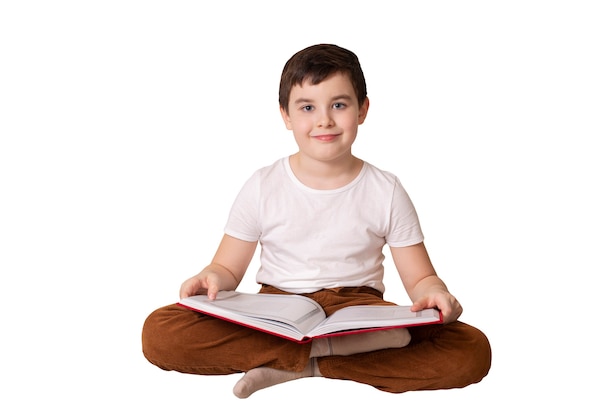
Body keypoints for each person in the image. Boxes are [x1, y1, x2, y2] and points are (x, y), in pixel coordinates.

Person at [142, 43, 491, 398]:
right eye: (308, 107)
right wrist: (211, 277)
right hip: (276, 312)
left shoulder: (386, 189)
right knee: (160, 331)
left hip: (359, 312)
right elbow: (226, 270)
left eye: (338, 105)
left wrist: (434, 292)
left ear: (362, 110)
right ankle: (322, 357)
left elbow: (420, 277)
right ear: (286, 116)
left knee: (472, 349)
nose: (324, 120)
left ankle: (300, 364)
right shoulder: (263, 185)